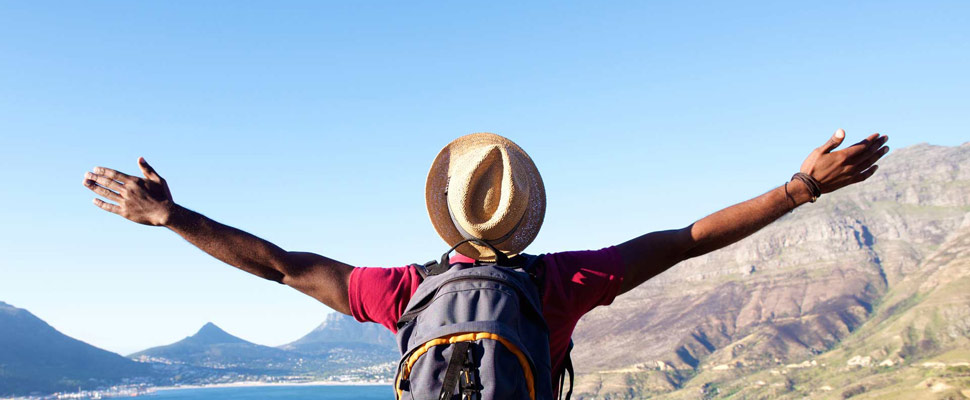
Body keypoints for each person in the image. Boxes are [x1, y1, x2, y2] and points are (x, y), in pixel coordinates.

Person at [82, 130, 888, 397]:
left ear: (447, 214)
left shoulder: (399, 292)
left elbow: (281, 267)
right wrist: (801, 187)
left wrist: (171, 216)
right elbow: (688, 239)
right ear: (527, 213)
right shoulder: (562, 283)